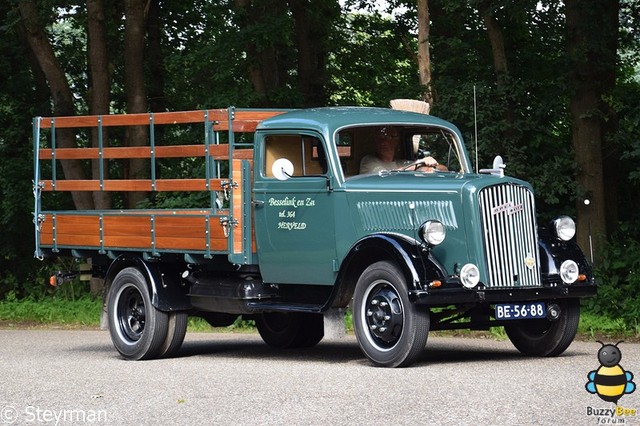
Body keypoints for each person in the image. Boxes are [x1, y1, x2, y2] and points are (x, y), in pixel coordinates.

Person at [359, 127, 441, 174]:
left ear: (396, 142)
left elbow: (444, 169)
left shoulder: (402, 163)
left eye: (389, 138)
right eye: (380, 139)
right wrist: (419, 162)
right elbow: (385, 176)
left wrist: (431, 165)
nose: (383, 142)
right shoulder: (368, 161)